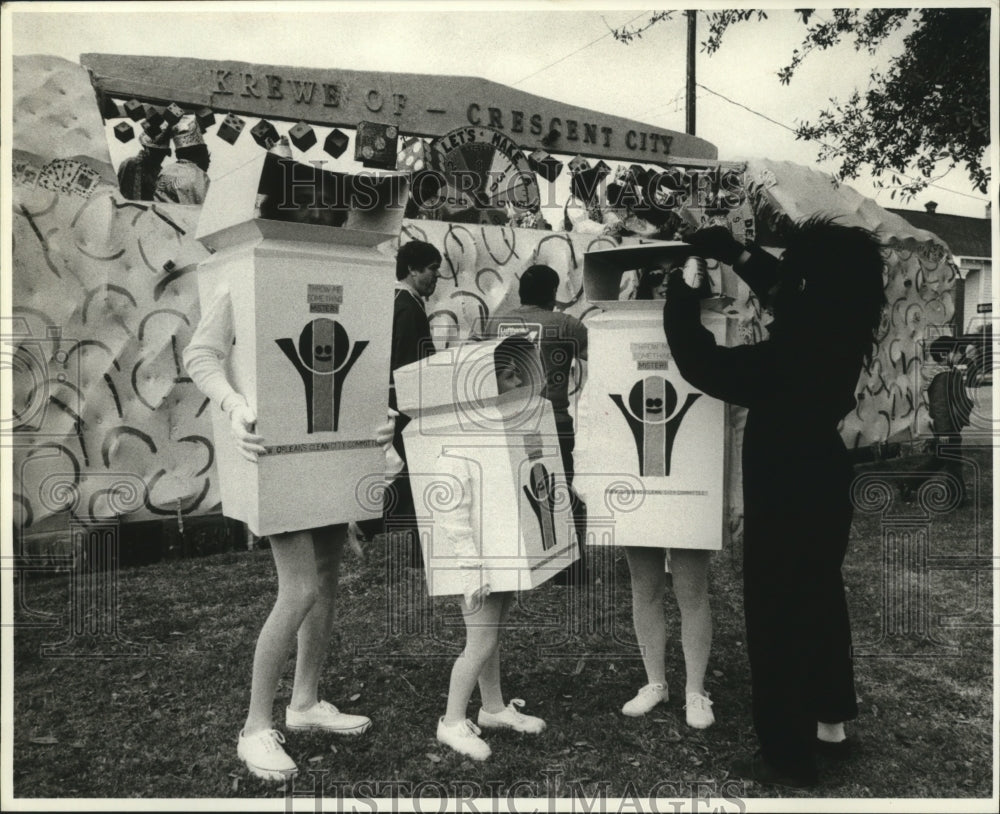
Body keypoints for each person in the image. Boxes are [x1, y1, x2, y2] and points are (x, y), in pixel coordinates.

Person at [663, 220, 886, 788]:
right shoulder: (845, 316)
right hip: (824, 477)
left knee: (778, 614)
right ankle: (830, 725)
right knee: (819, 597)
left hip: (785, 483)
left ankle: (787, 754)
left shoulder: (796, 346)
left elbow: (705, 365)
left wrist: (679, 300)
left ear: (812, 283)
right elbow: (787, 288)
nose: (790, 281)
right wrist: (736, 253)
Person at [182, 185, 389, 783]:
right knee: (298, 589)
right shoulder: (245, 269)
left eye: (333, 209)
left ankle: (304, 703)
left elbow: (367, 362)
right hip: (276, 451)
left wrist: (382, 415)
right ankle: (254, 727)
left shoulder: (347, 273)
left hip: (330, 448)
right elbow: (202, 354)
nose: (327, 217)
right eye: (314, 207)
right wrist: (234, 404)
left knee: (326, 579)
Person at [434, 336, 547, 760]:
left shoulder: (501, 425)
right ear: (482, 383)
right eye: (507, 373)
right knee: (479, 641)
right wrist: (471, 566)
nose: (517, 378)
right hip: (477, 557)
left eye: (518, 370)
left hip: (500, 550)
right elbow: (452, 505)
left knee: (493, 635)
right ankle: (450, 721)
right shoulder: (463, 434)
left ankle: (494, 708)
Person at [616, 262, 715, 730]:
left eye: (673, 283)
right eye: (656, 281)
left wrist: (731, 492)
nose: (663, 290)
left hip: (692, 480)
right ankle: (655, 681)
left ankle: (697, 689)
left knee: (692, 591)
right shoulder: (617, 338)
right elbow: (598, 405)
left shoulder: (711, 332)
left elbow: (729, 417)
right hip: (638, 481)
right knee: (645, 588)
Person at [472, 264, 590, 584]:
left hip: (506, 419)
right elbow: (602, 357)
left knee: (512, 491)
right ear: (553, 294)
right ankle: (568, 571)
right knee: (560, 491)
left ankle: (516, 562)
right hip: (553, 420)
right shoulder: (566, 324)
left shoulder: (496, 323)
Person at [378, 240, 443, 564]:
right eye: (432, 269)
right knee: (420, 474)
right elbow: (408, 365)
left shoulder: (400, 301)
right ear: (412, 269)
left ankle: (422, 551)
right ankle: (366, 523)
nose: (436, 276)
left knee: (417, 475)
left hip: (401, 402)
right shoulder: (406, 306)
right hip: (407, 405)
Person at [155, 115, 211, 205]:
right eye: (207, 156)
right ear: (200, 154)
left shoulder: (165, 171)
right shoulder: (199, 176)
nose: (209, 161)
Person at [117, 129, 172, 201]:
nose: (161, 158)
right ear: (147, 150)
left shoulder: (159, 171)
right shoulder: (131, 164)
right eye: (157, 153)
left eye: (163, 154)